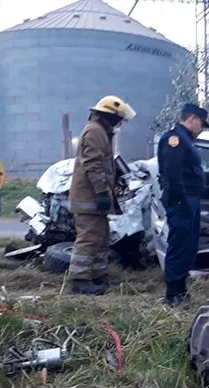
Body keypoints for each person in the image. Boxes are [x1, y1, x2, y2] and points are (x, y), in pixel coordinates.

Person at [67, 95, 136, 295]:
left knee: (101, 237)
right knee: (89, 238)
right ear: (108, 115)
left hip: (95, 196)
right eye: (119, 118)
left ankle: (97, 276)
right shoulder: (95, 132)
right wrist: (100, 191)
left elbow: (104, 164)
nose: (121, 122)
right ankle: (79, 281)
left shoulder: (102, 132)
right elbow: (92, 164)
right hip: (89, 198)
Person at [158, 103, 209, 306]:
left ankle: (180, 288)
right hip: (182, 199)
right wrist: (180, 199)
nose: (202, 129)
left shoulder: (185, 139)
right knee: (179, 245)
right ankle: (173, 293)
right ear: (193, 119)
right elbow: (173, 172)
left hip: (189, 199)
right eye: (202, 125)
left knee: (188, 245)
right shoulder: (176, 139)